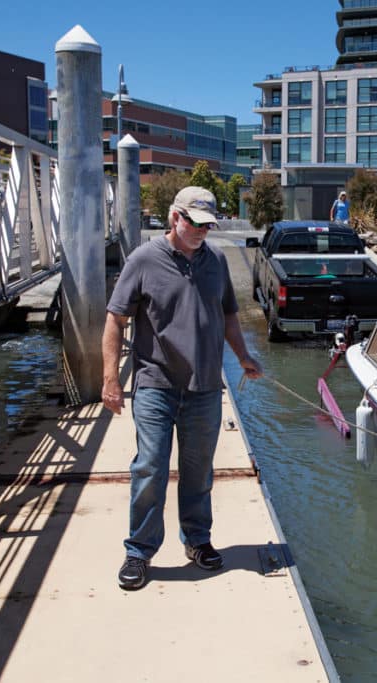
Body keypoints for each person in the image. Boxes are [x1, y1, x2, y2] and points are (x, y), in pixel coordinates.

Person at [101, 186, 263, 591]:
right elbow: (115, 320)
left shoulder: (216, 261)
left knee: (198, 471)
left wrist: (243, 356)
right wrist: (109, 380)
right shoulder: (143, 259)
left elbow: (228, 315)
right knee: (151, 465)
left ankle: (197, 540)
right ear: (175, 217)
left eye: (208, 225)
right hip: (156, 382)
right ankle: (139, 551)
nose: (202, 231)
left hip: (205, 385)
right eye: (195, 223)